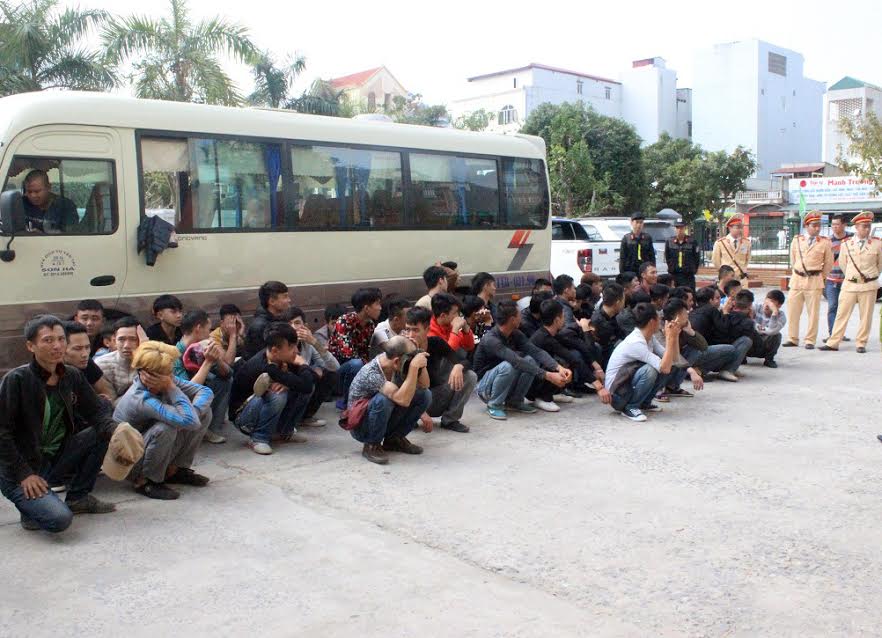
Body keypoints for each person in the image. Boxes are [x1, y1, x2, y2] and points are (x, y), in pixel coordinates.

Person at [0, 316, 119, 532]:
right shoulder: (16, 380)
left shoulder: (71, 375)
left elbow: (96, 413)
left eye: (61, 339)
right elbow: (2, 433)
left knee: (104, 427)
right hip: (20, 466)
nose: (56, 346)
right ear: (30, 346)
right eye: (47, 340)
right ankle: (30, 506)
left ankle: (78, 497)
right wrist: (24, 474)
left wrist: (119, 433)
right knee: (59, 520)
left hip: (54, 457)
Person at [113, 341, 212, 500]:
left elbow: (205, 391)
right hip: (128, 460)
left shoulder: (165, 378)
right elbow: (190, 421)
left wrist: (191, 410)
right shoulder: (141, 399)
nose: (172, 378)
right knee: (166, 428)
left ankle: (175, 469)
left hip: (147, 445)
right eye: (168, 374)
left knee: (205, 413)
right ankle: (146, 481)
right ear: (148, 374)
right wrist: (172, 389)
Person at [473, 301, 569, 420]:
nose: (521, 318)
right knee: (509, 365)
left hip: (503, 381)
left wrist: (558, 367)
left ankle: (515, 401)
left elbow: (535, 351)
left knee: (530, 360)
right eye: (519, 315)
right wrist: (548, 375)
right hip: (484, 387)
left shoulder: (515, 334)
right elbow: (515, 361)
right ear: (512, 319)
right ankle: (494, 404)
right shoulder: (491, 340)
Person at [231, 323, 316, 455]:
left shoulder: (282, 357)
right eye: (292, 347)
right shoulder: (265, 366)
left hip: (257, 406)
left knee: (299, 387)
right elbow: (305, 384)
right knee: (277, 394)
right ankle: (259, 438)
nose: (297, 351)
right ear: (275, 350)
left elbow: (310, 382)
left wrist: (292, 379)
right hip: (243, 417)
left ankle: (284, 432)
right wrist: (303, 365)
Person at [347, 336, 432, 465]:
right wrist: (414, 367)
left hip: (384, 417)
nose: (411, 361)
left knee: (424, 395)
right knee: (384, 400)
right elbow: (402, 400)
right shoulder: (371, 372)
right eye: (410, 359)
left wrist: (418, 355)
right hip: (362, 426)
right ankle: (372, 445)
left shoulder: (395, 360)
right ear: (397, 361)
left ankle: (394, 439)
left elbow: (425, 385)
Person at [405, 305, 477, 433]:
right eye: (408, 330)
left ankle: (450, 420)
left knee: (470, 376)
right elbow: (397, 385)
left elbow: (463, 360)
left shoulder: (436, 343)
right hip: (408, 401)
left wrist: (458, 366)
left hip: (433, 397)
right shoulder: (402, 347)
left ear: (427, 330)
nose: (411, 335)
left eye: (416, 330)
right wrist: (421, 413)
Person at [605, 303, 680, 422]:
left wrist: (674, 337)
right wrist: (669, 338)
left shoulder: (649, 337)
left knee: (669, 365)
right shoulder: (636, 342)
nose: (661, 320)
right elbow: (664, 368)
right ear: (652, 322)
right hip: (616, 396)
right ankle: (630, 407)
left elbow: (674, 359)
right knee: (650, 370)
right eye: (658, 318)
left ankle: (644, 403)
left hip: (625, 385)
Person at [530, 300, 611, 407]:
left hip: (538, 376)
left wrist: (595, 365)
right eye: (563, 316)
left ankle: (554, 393)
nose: (565, 319)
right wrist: (598, 386)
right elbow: (573, 359)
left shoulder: (553, 333)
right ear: (557, 320)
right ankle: (542, 398)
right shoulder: (544, 338)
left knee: (572, 355)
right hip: (532, 383)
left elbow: (579, 345)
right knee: (562, 363)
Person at [822, 211, 882, 353]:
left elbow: (880, 265)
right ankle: (834, 342)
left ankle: (861, 343)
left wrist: (869, 275)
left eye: (868, 226)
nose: (867, 229)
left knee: (865, 316)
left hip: (868, 285)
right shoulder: (847, 244)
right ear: (856, 227)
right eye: (864, 226)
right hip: (850, 284)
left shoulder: (877, 244)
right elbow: (843, 264)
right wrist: (852, 276)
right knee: (841, 314)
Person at [173, 310, 233, 444]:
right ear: (198, 328)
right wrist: (208, 362)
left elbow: (228, 373)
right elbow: (186, 391)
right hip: (179, 402)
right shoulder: (175, 354)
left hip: (198, 392)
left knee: (224, 380)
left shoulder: (201, 348)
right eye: (208, 329)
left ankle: (211, 428)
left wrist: (217, 359)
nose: (210, 333)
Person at [783, 211, 833, 350]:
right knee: (793, 311)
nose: (817, 228)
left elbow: (828, 263)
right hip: (797, 279)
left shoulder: (824, 242)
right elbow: (793, 260)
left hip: (814, 280)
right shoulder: (797, 240)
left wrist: (820, 277)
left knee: (813, 313)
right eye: (814, 225)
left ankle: (810, 340)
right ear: (806, 226)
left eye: (819, 225)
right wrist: (799, 271)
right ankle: (792, 338)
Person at [328, 287, 383, 408]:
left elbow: (368, 351)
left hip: (358, 365)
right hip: (337, 369)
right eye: (377, 304)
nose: (380, 307)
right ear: (366, 308)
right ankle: (348, 403)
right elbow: (347, 354)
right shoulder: (344, 321)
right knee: (357, 364)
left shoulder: (370, 324)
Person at [286, 307, 340, 427]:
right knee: (308, 377)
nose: (294, 327)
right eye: (289, 324)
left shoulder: (307, 344)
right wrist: (313, 369)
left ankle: (305, 417)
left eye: (297, 323)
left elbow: (334, 367)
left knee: (331, 375)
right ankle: (288, 423)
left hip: (301, 383)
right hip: (287, 385)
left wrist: (314, 342)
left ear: (305, 326)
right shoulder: (282, 344)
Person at [689, 287, 751, 382]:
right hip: (697, 355)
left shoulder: (695, 311)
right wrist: (726, 311)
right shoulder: (711, 309)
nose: (720, 301)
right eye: (717, 298)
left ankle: (700, 369)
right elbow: (724, 330)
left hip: (691, 355)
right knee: (741, 343)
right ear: (711, 300)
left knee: (729, 345)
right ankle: (727, 370)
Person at [657, 299, 706, 399]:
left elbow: (704, 347)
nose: (688, 315)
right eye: (685, 313)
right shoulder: (659, 327)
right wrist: (691, 371)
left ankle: (672, 387)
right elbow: (667, 353)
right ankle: (657, 389)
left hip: (676, 363)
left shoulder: (682, 325)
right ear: (677, 316)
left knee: (694, 349)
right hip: (660, 364)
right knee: (667, 359)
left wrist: (690, 331)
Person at [64, 321, 116, 401]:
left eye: (87, 347)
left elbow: (109, 392)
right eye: (78, 349)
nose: (85, 354)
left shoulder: (86, 361)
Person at [95, 316, 145, 397]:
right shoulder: (102, 364)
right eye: (121, 339)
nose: (126, 345)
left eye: (133, 339)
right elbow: (111, 402)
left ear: (141, 340)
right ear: (114, 341)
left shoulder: (150, 362)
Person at [18, 169, 79, 233]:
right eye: (29, 191)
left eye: (37, 191)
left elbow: (71, 236)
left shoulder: (66, 206)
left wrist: (42, 236)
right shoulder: (21, 204)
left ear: (49, 187)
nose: (33, 195)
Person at [244, 281, 292, 359]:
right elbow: (263, 358)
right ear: (272, 301)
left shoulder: (281, 319)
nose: (289, 300)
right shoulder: (259, 327)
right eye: (285, 297)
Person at [825, 214, 852, 340]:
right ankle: (832, 335)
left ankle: (840, 334)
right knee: (832, 306)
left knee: (844, 309)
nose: (834, 227)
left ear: (844, 225)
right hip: (831, 280)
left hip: (848, 280)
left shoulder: (852, 238)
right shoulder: (827, 241)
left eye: (837, 224)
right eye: (833, 224)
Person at [428, 292, 476, 357]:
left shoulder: (450, 324)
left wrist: (466, 330)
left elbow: (469, 347)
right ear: (443, 316)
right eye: (455, 312)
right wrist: (455, 331)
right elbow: (446, 358)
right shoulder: (430, 333)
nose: (458, 316)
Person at [591, 283, 627, 364]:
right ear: (618, 303)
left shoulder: (611, 315)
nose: (624, 304)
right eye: (624, 300)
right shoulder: (599, 322)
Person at [752, 290, 787, 368]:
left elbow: (772, 331)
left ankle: (769, 359)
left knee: (777, 335)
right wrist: (763, 330)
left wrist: (774, 313)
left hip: (765, 343)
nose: (767, 305)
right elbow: (748, 323)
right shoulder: (756, 307)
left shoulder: (781, 317)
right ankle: (742, 357)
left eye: (772, 303)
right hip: (752, 341)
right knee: (745, 330)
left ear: (779, 305)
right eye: (767, 301)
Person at [712, 215, 751, 283]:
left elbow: (748, 259)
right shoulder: (720, 243)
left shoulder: (746, 242)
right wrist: (723, 273)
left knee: (743, 293)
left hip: (741, 278)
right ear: (730, 228)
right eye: (737, 227)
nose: (740, 230)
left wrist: (743, 270)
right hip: (726, 278)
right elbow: (716, 261)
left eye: (741, 227)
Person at [665, 220, 700, 290]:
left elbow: (697, 258)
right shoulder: (670, 241)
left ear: (685, 228)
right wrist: (671, 267)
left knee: (690, 295)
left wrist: (693, 269)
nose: (679, 230)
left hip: (688, 275)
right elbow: (667, 256)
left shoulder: (692, 242)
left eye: (681, 228)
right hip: (674, 274)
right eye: (677, 228)